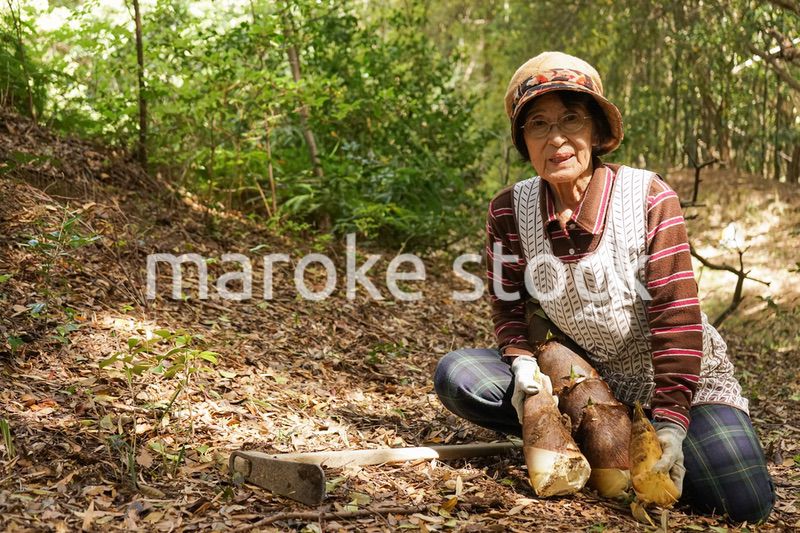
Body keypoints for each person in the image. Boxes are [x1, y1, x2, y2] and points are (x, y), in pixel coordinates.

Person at [434, 51, 774, 523]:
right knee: (459, 375)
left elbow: (676, 318)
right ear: (524, 141)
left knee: (745, 499)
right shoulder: (509, 210)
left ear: (595, 131)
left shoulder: (650, 198)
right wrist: (523, 365)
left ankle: (618, 446)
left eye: (571, 119)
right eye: (538, 124)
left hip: (670, 381)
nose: (556, 138)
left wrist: (673, 424)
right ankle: (587, 440)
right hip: (581, 381)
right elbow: (508, 304)